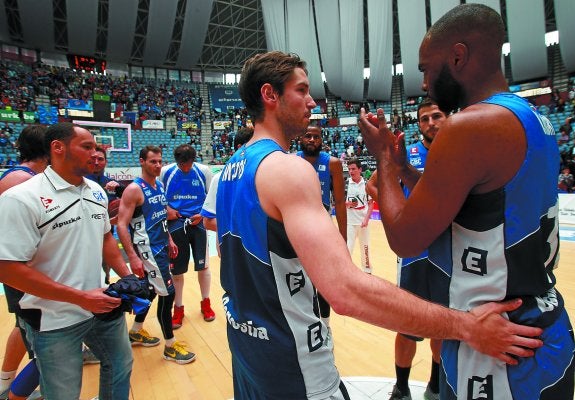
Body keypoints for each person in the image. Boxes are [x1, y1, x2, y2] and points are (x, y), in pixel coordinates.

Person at [215, 50, 542, 400]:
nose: (311, 102)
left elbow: (229, 255)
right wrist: (467, 326)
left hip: (248, 356)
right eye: (302, 90)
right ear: (270, 94)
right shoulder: (287, 169)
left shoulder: (230, 170)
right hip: (293, 368)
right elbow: (346, 292)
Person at [359, 4, 574, 399]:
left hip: (498, 346)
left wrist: (385, 160)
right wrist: (405, 171)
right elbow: (473, 202)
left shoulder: (470, 126)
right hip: (540, 326)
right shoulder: (530, 116)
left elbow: (405, 239)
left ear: (457, 57)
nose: (425, 83)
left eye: (427, 68)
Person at [0, 122, 134, 400]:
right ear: (57, 147)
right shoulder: (21, 198)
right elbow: (7, 270)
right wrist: (80, 298)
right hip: (54, 319)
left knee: (120, 367)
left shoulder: (96, 191)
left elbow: (106, 239)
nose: (95, 153)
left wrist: (127, 275)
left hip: (101, 305)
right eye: (87, 147)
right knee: (63, 393)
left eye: (96, 147)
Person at [367, 99, 446, 400]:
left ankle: (436, 385)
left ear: (447, 117)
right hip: (415, 253)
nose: (430, 123)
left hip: (449, 250)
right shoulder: (407, 152)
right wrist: (397, 210)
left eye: (436, 116)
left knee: (443, 322)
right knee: (408, 325)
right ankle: (401, 388)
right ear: (419, 124)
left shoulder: (458, 149)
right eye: (424, 118)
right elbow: (373, 185)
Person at [116, 145, 196, 364]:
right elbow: (121, 225)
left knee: (152, 291)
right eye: (153, 161)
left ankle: (136, 331)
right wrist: (133, 257)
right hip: (148, 250)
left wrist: (169, 239)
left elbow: (160, 217)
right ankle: (170, 346)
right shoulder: (134, 189)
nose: (158, 165)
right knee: (167, 294)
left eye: (160, 161)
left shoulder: (158, 185)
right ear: (142, 162)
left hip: (161, 246)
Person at [0, 125, 48, 400]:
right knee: (52, 348)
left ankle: (5, 382)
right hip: (24, 272)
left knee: (22, 327)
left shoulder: (17, 175)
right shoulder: (23, 181)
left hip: (19, 270)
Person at [296, 125, 346, 328]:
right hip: (297, 228)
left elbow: (340, 202)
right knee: (301, 280)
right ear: (300, 139)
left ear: (322, 140)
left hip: (323, 228)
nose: (311, 140)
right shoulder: (291, 161)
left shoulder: (332, 163)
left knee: (325, 280)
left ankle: (325, 326)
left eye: (316, 137)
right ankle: (305, 325)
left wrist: (343, 237)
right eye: (307, 136)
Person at [160, 144, 215, 327]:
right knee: (176, 271)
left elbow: (211, 197)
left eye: (188, 164)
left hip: (198, 222)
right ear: (176, 161)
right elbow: (160, 198)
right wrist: (167, 210)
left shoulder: (203, 171)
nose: (185, 168)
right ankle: (178, 308)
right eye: (182, 164)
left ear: (193, 160)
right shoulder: (166, 172)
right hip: (176, 223)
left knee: (203, 267)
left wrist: (203, 214)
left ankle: (206, 303)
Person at [345, 158, 374, 273]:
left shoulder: (367, 184)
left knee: (365, 248)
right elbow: (339, 203)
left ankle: (367, 271)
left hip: (363, 223)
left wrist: (366, 219)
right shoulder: (345, 183)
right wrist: (347, 204)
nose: (351, 171)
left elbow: (371, 204)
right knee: (348, 249)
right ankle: (346, 271)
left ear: (360, 169)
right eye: (349, 169)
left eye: (353, 169)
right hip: (350, 222)